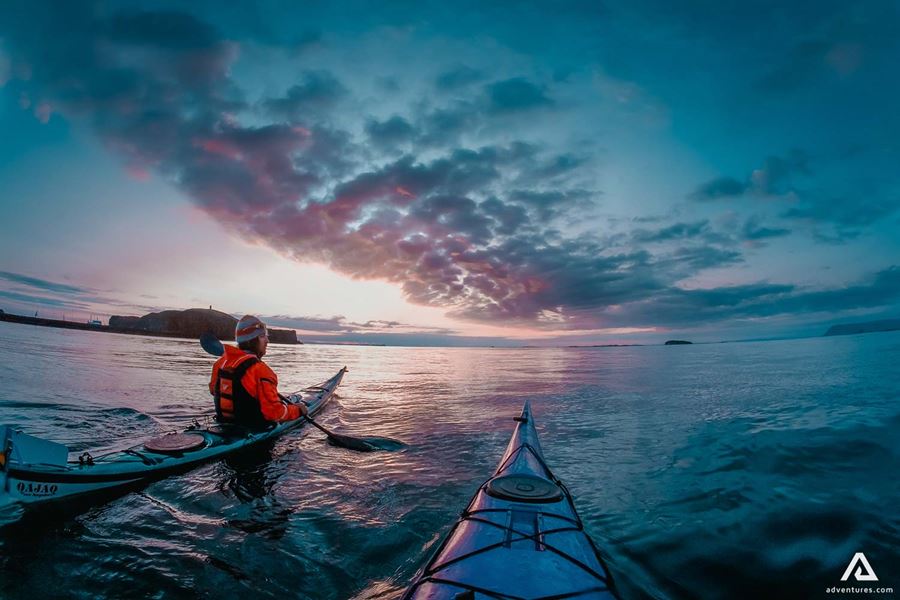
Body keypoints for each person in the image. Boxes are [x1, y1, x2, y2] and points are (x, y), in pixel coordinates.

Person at [209, 315, 308, 428]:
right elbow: (275, 414)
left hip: (223, 425)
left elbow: (214, 391)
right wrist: (298, 410)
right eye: (262, 336)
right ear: (252, 340)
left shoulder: (220, 363)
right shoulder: (261, 370)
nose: (267, 340)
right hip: (252, 428)